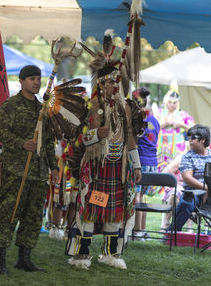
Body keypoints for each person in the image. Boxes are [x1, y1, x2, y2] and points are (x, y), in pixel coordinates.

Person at [66, 61, 142, 270]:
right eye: (110, 82)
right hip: (96, 167)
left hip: (119, 167)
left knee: (115, 212)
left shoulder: (125, 107)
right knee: (91, 209)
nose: (114, 86)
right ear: (100, 84)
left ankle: (111, 254)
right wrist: (95, 134)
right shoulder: (93, 105)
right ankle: (82, 254)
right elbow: (79, 138)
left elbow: (128, 136)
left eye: (116, 82)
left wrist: (136, 166)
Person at [0, 65, 59, 274]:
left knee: (33, 216)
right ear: (21, 81)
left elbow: (48, 142)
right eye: (32, 79)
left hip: (38, 172)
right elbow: (1, 132)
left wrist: (53, 167)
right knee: (8, 213)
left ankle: (24, 258)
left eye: (38, 79)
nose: (36, 82)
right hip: (16, 169)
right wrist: (22, 143)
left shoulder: (42, 110)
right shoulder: (10, 106)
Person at [170, 124, 211, 232]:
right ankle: (172, 232)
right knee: (186, 204)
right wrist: (206, 188)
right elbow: (187, 178)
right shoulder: (188, 156)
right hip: (193, 193)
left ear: (203, 140)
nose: (189, 140)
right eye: (188, 138)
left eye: (193, 138)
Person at [132, 87, 160, 240]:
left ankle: (137, 231)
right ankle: (141, 230)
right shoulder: (154, 120)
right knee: (141, 196)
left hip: (140, 161)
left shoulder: (138, 118)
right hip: (152, 162)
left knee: (136, 195)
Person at [156, 84, 195, 172]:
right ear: (166, 101)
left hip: (177, 148)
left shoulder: (183, 115)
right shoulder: (159, 113)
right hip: (161, 147)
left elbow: (194, 130)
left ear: (178, 103)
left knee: (175, 168)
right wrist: (165, 123)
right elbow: (152, 128)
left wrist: (181, 125)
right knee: (160, 169)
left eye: (174, 102)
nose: (171, 105)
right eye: (169, 102)